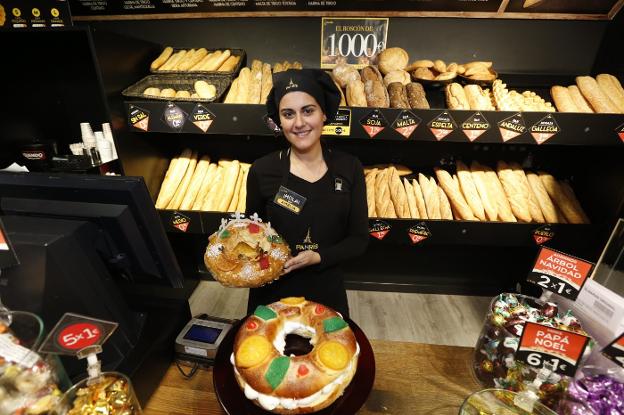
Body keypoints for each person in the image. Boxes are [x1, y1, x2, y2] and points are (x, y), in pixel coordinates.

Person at [245, 68, 368, 319]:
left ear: (324, 114)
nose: (299, 123)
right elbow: (251, 235)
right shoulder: (262, 170)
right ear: (279, 120)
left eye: (308, 111)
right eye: (288, 114)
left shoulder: (349, 167)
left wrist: (319, 256)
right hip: (272, 292)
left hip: (326, 290)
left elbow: (358, 240)